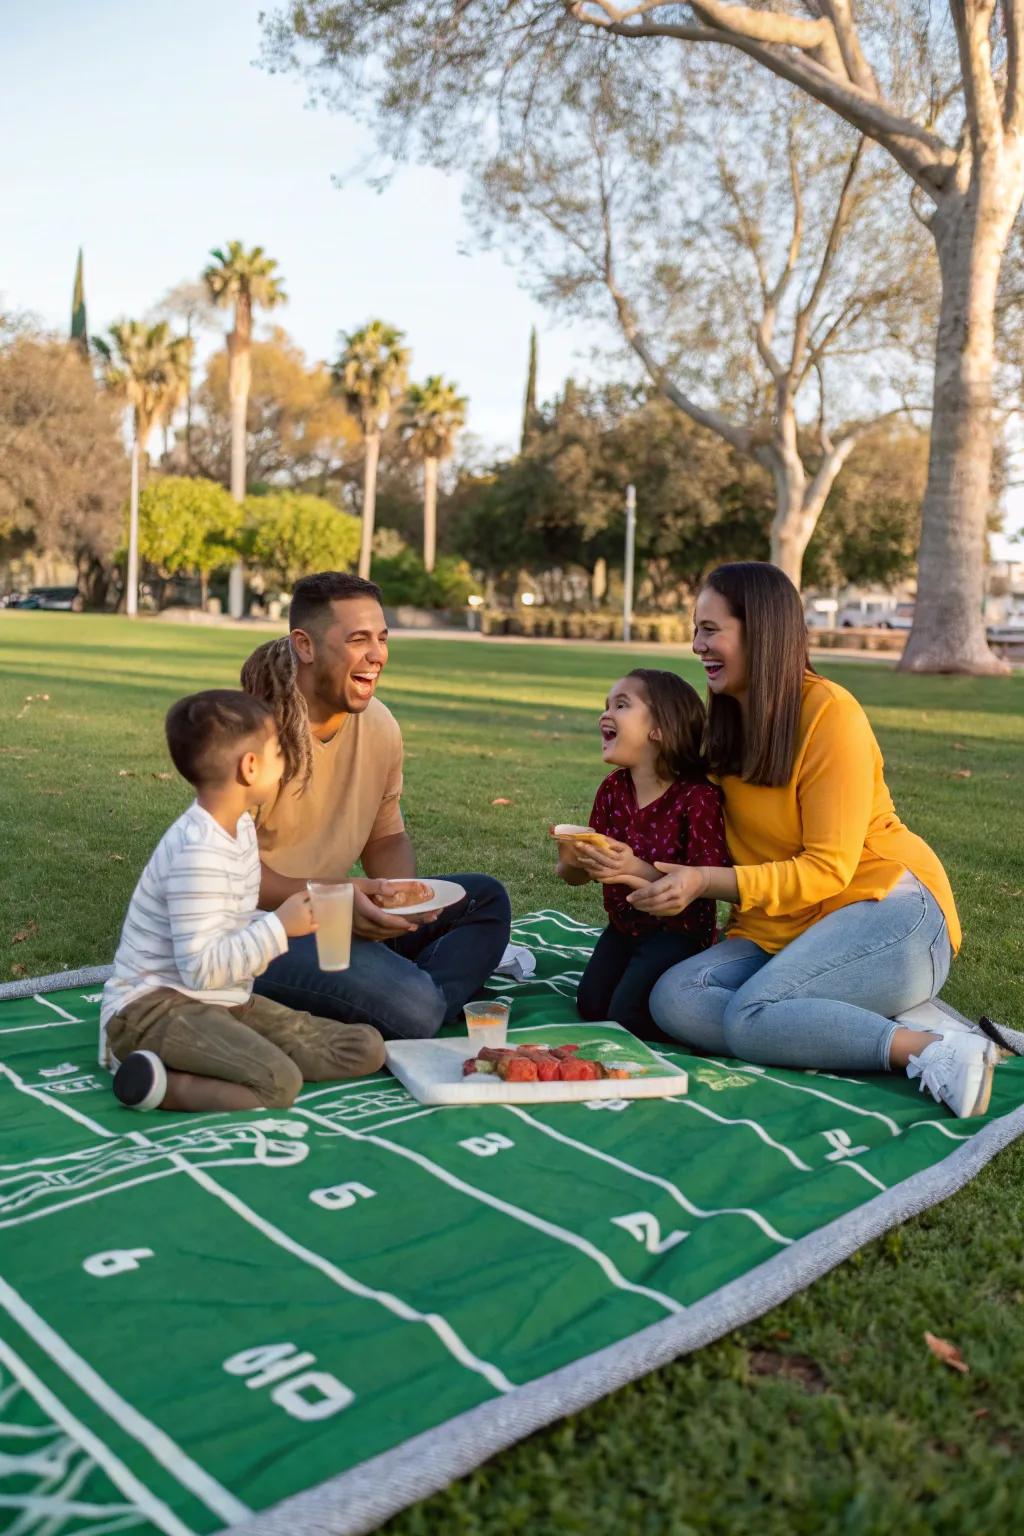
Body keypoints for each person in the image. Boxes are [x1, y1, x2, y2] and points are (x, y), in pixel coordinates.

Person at [638, 562, 1000, 1118]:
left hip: (891, 911)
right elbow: (704, 842)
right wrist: (622, 861)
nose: (696, 645)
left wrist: (706, 882)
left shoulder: (830, 714)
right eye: (695, 630)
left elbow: (829, 869)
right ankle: (850, 1017)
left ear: (760, 632)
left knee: (749, 1018)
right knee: (674, 999)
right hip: (784, 928)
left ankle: (934, 1047)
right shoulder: (728, 725)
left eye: (710, 630)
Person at [241, 571, 511, 1039]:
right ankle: (408, 1000)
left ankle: (386, 993)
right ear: (305, 645)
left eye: (382, 638)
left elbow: (386, 836)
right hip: (260, 928)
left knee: (484, 898)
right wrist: (337, 900)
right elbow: (232, 876)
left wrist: (398, 905)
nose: (377, 655)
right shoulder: (250, 734)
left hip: (338, 915)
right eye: (358, 639)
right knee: (416, 1006)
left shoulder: (380, 725)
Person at [101, 690, 386, 1113]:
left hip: (225, 1003)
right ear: (249, 767)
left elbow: (230, 923)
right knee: (279, 1082)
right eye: (278, 753)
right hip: (151, 1011)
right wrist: (279, 926)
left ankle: (213, 1059)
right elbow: (201, 970)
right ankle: (154, 1081)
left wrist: (296, 919)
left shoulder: (241, 831)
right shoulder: (198, 851)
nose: (286, 762)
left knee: (364, 1047)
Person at [556, 669, 729, 1037]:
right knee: (591, 1005)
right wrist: (572, 861)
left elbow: (704, 883)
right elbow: (575, 876)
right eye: (606, 705)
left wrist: (633, 867)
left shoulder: (697, 798)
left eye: (621, 705)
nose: (605, 715)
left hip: (677, 934)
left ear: (660, 729)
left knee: (625, 1019)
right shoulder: (612, 790)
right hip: (623, 927)